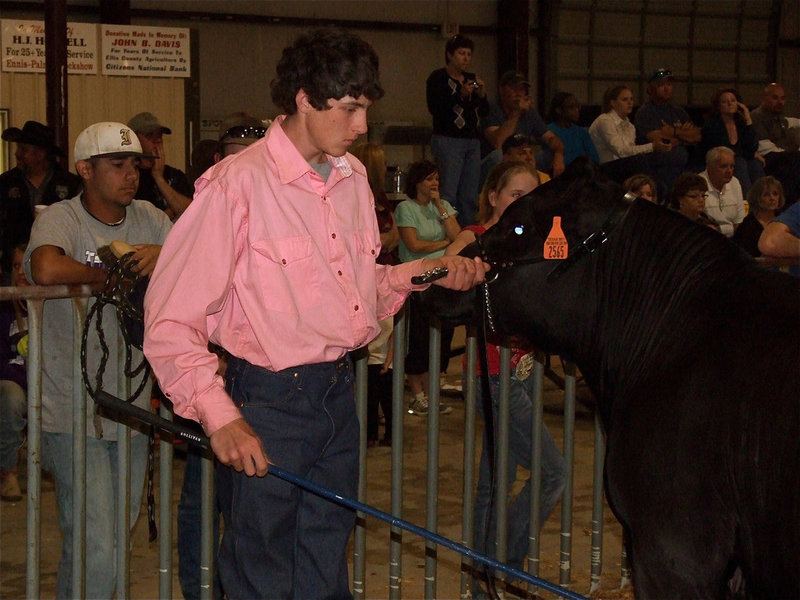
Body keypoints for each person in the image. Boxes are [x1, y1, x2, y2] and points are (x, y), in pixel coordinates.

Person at [143, 29, 488, 600]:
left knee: (327, 566)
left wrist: (425, 273)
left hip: (336, 395)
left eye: (366, 111)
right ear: (304, 98)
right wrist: (219, 415)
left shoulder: (351, 181)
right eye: (351, 109)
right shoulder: (239, 186)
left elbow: (354, 292)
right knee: (262, 571)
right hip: (269, 402)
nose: (361, 127)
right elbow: (171, 316)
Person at [23, 121, 172, 599]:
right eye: (117, 165)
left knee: (110, 542)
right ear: (85, 169)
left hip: (128, 404)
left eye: (135, 165)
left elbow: (200, 254)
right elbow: (45, 266)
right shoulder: (61, 218)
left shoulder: (149, 217)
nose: (131, 174)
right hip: (71, 407)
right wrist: (117, 272)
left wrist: (162, 255)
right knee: (97, 545)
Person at [445, 161, 566, 587]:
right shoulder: (477, 236)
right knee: (552, 473)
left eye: (531, 194)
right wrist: (465, 263)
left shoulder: (536, 241)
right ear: (493, 196)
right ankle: (500, 566)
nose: (524, 202)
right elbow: (448, 262)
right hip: (493, 375)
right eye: (515, 193)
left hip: (526, 369)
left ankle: (483, 576)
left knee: (496, 481)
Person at [177, 113, 266, 600]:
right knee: (201, 499)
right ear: (219, 157)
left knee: (250, 504)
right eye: (236, 149)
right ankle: (200, 591)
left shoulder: (273, 207)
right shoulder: (204, 209)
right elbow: (180, 306)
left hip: (255, 383)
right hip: (207, 384)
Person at [395, 160, 461, 416]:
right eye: (429, 179)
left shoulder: (442, 207)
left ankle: (432, 394)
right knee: (419, 337)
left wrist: (440, 208)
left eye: (437, 179)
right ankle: (417, 395)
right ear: (417, 182)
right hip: (417, 279)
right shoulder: (405, 208)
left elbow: (457, 236)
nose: (434, 184)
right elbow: (414, 245)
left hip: (443, 278)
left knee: (442, 336)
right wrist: (444, 242)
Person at [351, 142, 398, 445]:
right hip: (365, 283)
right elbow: (378, 240)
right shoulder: (357, 197)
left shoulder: (380, 200)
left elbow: (391, 239)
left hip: (384, 283)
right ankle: (368, 430)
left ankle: (384, 429)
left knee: (382, 363)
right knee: (371, 363)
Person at [0, 120, 81, 277]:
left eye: (23, 150)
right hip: (13, 269)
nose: (17, 154)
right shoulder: (5, 183)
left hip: (56, 266)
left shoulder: (70, 184)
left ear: (40, 154)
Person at [426, 34, 489, 227]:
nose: (466, 58)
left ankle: (467, 231)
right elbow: (437, 109)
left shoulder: (471, 79)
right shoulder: (438, 78)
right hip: (448, 139)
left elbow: (483, 111)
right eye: (461, 53)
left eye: (469, 54)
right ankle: (447, 230)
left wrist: (482, 95)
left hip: (471, 139)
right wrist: (460, 96)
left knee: (469, 194)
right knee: (449, 193)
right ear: (450, 55)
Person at [482, 71, 565, 180]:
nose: (518, 93)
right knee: (499, 156)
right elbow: (498, 143)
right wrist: (516, 113)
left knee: (549, 155)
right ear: (501, 90)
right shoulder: (491, 108)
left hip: (519, 157)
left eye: (521, 89)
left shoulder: (529, 113)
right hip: (489, 163)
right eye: (514, 88)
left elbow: (551, 138)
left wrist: (559, 154)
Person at [634, 68, 702, 195]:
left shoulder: (678, 111)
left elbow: (697, 135)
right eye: (661, 85)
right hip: (658, 166)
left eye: (669, 85)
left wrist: (674, 132)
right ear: (650, 89)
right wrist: (684, 137)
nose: (666, 88)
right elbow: (661, 141)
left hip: (684, 166)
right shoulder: (645, 112)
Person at [589, 85, 670, 185]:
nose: (630, 103)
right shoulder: (605, 121)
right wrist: (652, 146)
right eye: (625, 99)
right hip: (602, 169)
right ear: (613, 103)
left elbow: (630, 151)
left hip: (621, 167)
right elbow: (621, 151)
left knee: (656, 166)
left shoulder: (630, 127)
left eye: (631, 99)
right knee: (638, 161)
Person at [0, 243, 29, 502]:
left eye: (26, 264)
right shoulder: (4, 307)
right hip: (15, 381)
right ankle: (8, 471)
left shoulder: (56, 303)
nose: (20, 272)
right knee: (10, 397)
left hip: (52, 380)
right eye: (15, 266)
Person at [127, 111, 193, 219]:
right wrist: (171, 211)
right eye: (149, 135)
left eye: (159, 135)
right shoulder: (130, 177)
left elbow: (191, 212)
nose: (157, 140)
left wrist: (159, 178)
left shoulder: (175, 175)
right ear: (134, 138)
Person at [699, 88, 764, 196]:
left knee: (755, 164)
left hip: (738, 158)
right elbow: (723, 150)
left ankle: (761, 200)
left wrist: (748, 118)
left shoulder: (740, 123)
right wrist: (750, 154)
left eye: (733, 101)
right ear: (719, 106)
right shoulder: (712, 124)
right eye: (725, 102)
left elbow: (752, 147)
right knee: (739, 162)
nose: (729, 103)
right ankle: (746, 202)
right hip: (718, 159)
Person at [751, 82, 800, 207]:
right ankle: (789, 205)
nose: (780, 102)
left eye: (783, 98)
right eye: (775, 98)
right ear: (764, 99)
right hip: (767, 158)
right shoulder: (757, 117)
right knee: (795, 159)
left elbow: (791, 124)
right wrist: (789, 152)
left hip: (784, 156)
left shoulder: (779, 117)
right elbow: (764, 146)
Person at [734, 176, 785, 257]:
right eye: (766, 195)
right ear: (757, 198)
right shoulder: (747, 225)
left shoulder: (785, 221)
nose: (772, 198)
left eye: (775, 194)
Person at [700, 146, 745, 237]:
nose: (729, 171)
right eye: (723, 166)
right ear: (710, 167)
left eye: (732, 166)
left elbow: (739, 222)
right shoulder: (698, 183)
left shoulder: (734, 182)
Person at [546, 91, 600, 167]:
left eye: (577, 106)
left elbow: (595, 158)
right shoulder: (548, 132)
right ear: (559, 110)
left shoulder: (581, 132)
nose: (577, 110)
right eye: (571, 107)